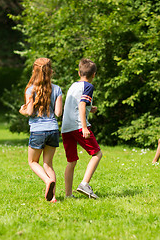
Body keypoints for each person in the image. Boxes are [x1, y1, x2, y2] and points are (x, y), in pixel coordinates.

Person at [19, 58, 62, 202]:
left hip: (38, 130)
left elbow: (30, 111)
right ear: (50, 71)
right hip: (53, 130)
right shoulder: (57, 89)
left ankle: (47, 181)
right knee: (48, 164)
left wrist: (22, 111)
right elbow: (58, 113)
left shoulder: (31, 90)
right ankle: (53, 197)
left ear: (34, 71)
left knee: (32, 162)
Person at [61, 58, 102, 199]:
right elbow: (81, 105)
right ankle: (84, 184)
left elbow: (77, 104)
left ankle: (68, 195)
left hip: (66, 127)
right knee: (97, 154)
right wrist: (84, 127)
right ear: (94, 74)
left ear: (79, 73)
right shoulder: (88, 87)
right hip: (79, 126)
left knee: (71, 161)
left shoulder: (73, 85)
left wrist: (91, 108)